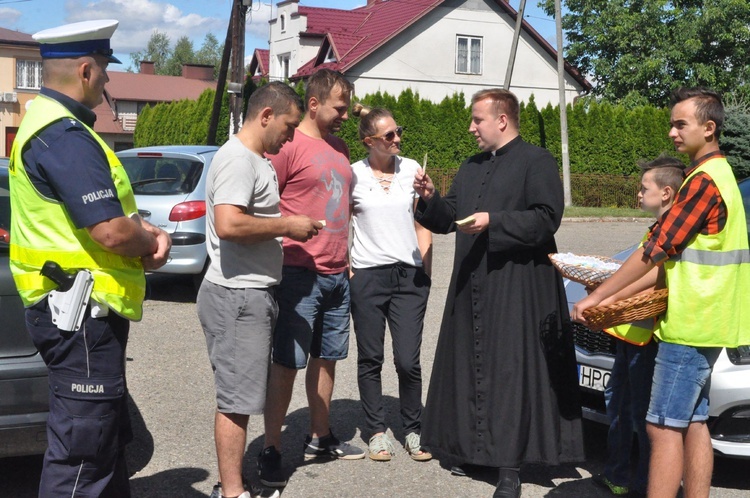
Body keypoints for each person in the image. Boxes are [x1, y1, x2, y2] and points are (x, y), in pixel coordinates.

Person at [8, 20, 171, 497]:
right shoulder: (65, 136)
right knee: (83, 456)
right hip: (81, 318)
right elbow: (111, 231)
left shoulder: (47, 126)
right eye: (103, 71)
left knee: (104, 446)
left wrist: (142, 230)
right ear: (84, 69)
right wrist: (152, 241)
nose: (107, 82)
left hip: (78, 314)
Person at [573, 87, 750, 498]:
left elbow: (656, 250)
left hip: (690, 324)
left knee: (662, 424)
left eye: (680, 124)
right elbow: (670, 260)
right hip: (710, 321)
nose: (672, 132)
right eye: (672, 123)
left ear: (709, 128)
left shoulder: (703, 181)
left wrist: (598, 297)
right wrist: (612, 294)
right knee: (694, 420)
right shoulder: (722, 176)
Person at [412, 88, 584, 498]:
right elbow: (448, 217)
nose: (471, 128)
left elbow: (546, 220)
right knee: (471, 367)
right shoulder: (470, 166)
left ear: (502, 120)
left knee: (509, 373)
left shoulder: (537, 161)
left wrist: (495, 221)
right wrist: (431, 198)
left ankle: (510, 466)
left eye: (477, 120)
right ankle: (474, 451)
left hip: (518, 284)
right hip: (473, 280)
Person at [198, 82, 321, 498]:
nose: (290, 136)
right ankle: (232, 491)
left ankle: (233, 485)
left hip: (250, 294)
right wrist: (287, 226)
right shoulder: (238, 160)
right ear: (266, 115)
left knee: (242, 393)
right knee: (235, 399)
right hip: (237, 296)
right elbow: (230, 225)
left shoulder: (257, 159)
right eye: (288, 126)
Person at [258, 69, 364, 488]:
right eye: (340, 107)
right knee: (287, 363)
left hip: (338, 273)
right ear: (315, 104)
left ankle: (320, 436)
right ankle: (271, 448)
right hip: (299, 274)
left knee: (328, 358)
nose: (345, 115)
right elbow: (264, 208)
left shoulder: (339, 147)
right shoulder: (288, 146)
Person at [592, 156, 685, 498]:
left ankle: (652, 485)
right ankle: (617, 475)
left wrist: (607, 294)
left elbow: (655, 276)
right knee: (617, 404)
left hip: (647, 340)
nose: (637, 194)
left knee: (647, 418)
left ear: (666, 193)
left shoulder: (673, 233)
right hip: (627, 334)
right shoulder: (655, 229)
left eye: (643, 188)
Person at [349, 104, 433, 462]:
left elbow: (423, 221)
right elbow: (340, 223)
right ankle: (376, 432)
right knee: (370, 357)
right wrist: (351, 272)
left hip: (409, 277)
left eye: (399, 132)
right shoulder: (352, 175)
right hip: (367, 275)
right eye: (389, 135)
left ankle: (413, 430)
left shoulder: (413, 169)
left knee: (407, 360)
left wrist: (425, 269)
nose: (397, 138)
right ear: (370, 141)